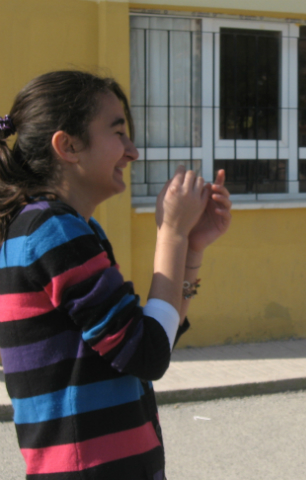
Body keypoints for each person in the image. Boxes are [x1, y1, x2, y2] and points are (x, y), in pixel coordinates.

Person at [0, 71, 231, 479]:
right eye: (118, 132)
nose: (132, 151)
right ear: (67, 146)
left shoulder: (57, 227)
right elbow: (149, 353)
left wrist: (191, 248)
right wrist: (172, 233)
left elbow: (147, 339)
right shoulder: (52, 231)